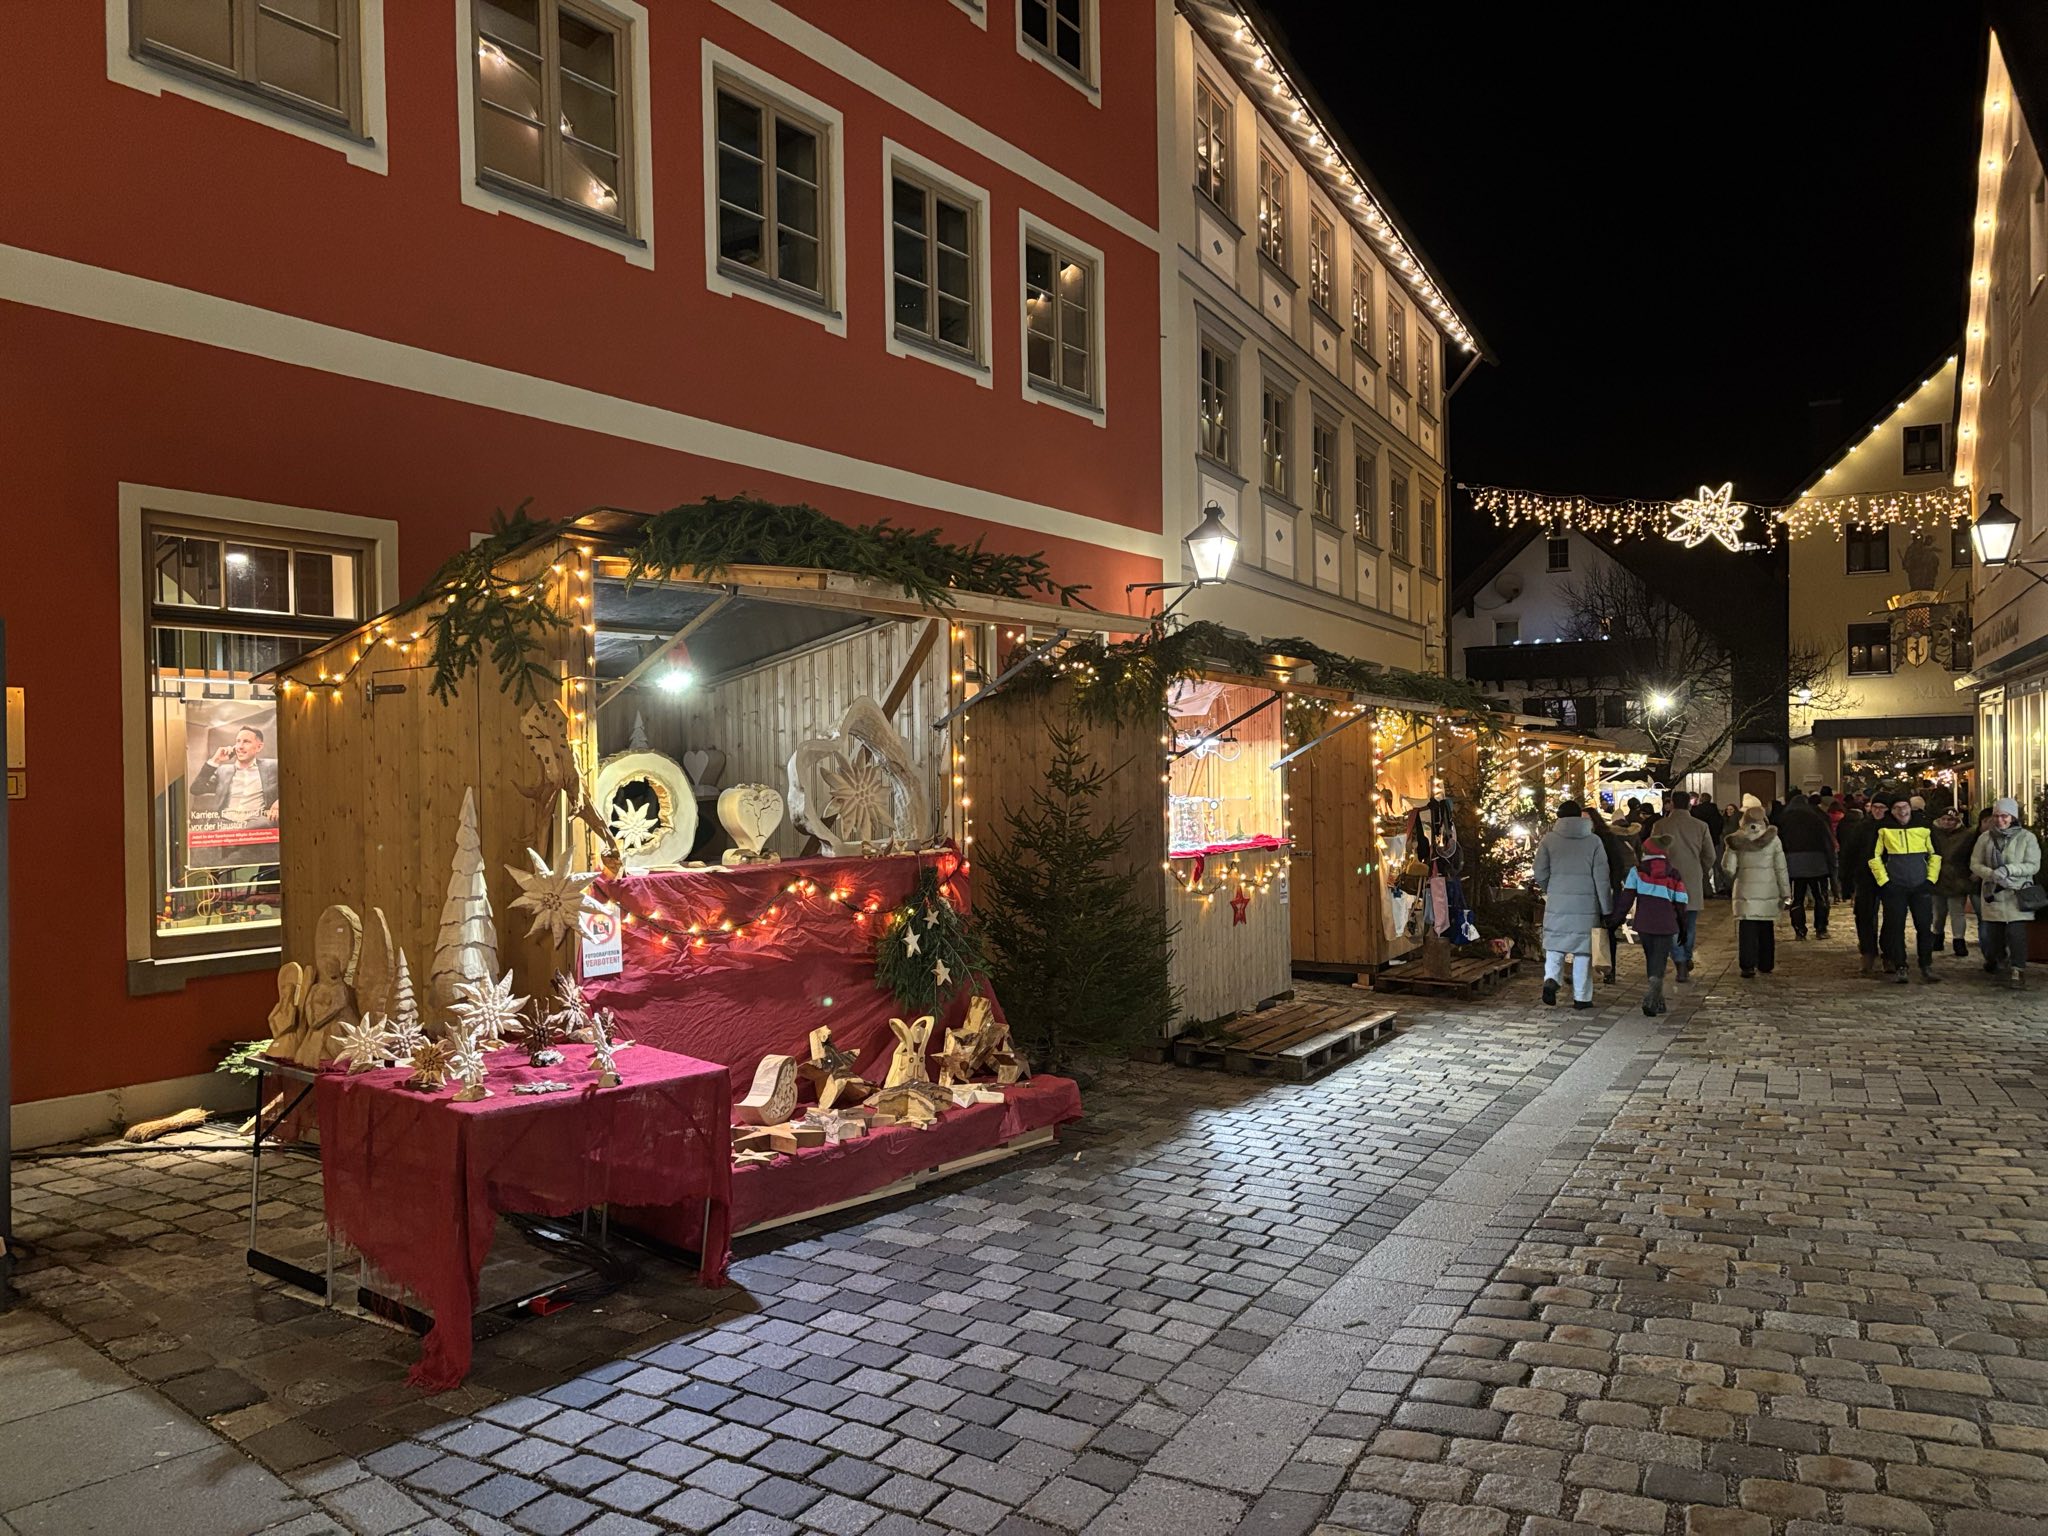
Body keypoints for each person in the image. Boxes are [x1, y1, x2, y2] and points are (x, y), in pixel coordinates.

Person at [1533, 801, 1610, 1011]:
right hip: (1586, 904)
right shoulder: (1594, 841)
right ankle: (1582, 997)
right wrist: (1607, 908)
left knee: (1555, 946)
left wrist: (1551, 887)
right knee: (1583, 952)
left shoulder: (1549, 840)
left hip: (1558, 900)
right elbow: (1602, 878)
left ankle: (1551, 979)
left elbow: (1539, 870)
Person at [1869, 790, 1941, 985]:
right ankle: (1901, 965)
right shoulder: (1883, 830)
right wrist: (1885, 882)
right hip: (1896, 887)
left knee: (1924, 927)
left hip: (1920, 885)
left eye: (1904, 807)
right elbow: (1874, 857)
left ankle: (1926, 965)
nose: (1902, 811)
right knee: (1895, 927)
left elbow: (1935, 855)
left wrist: (1930, 880)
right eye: (1897, 808)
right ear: (1891, 811)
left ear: (1910, 808)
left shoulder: (1924, 828)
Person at [1612, 834, 1688, 1016]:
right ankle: (1654, 993)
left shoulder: (1637, 871)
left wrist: (1617, 918)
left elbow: (1627, 897)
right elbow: (1681, 901)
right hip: (1666, 923)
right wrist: (1682, 925)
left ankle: (1657, 998)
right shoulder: (1673, 873)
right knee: (1660, 959)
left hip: (1645, 922)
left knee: (1650, 956)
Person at [1971, 798, 2041, 990]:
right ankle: (2000, 966)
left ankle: (2018, 969)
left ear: (2013, 817)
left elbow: (2033, 865)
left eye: (2004, 816)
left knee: (2016, 934)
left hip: (2016, 892)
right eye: (1996, 816)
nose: (2000, 820)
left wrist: (2010, 869)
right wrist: (1991, 874)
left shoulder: (2026, 838)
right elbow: (1975, 863)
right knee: (1994, 935)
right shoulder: (1985, 838)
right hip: (1993, 893)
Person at [1650, 792, 1717, 980]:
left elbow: (1652, 852)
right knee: (1689, 922)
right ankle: (1686, 956)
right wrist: (1700, 869)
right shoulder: (1700, 826)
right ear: (1690, 805)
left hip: (1667, 879)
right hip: (1692, 878)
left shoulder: (1660, 826)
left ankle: (1679, 960)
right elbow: (1710, 855)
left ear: (1671, 804)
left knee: (1671, 923)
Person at [1722, 806, 1791, 978]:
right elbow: (1781, 868)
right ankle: (1766, 963)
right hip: (1769, 887)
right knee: (1766, 926)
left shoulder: (1736, 839)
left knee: (1747, 928)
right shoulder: (1774, 840)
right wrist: (1786, 892)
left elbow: (1728, 869)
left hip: (1745, 889)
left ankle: (1747, 965)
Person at [190, 724, 280, 824]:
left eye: (246, 742)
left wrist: (279, 802)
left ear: (259, 747)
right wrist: (216, 760)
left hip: (256, 823)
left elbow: (294, 785)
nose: (240, 746)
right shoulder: (223, 771)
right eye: (238, 741)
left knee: (263, 823)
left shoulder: (273, 766)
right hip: (224, 824)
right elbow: (196, 789)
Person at [1777, 789, 1837, 940]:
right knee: (1820, 897)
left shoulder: (1784, 818)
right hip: (1817, 863)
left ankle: (1800, 930)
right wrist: (1831, 864)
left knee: (1797, 897)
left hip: (1794, 863)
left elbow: (1780, 843)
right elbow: (1827, 841)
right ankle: (1821, 928)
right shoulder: (1816, 817)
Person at [1587, 807, 1635, 984]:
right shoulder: (1580, 840)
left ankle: (1608, 967)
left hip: (1607, 890)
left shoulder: (1607, 838)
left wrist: (1613, 887)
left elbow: (1617, 865)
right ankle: (1584, 968)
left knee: (1607, 930)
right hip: (1587, 892)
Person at [1837, 798, 1884, 973]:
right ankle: (1868, 951)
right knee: (1864, 915)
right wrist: (1846, 881)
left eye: (1882, 807)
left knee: (1892, 918)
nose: (1878, 811)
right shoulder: (1862, 827)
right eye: (1875, 807)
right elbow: (1849, 854)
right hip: (1865, 877)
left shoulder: (1893, 828)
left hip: (1891, 878)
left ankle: (1889, 953)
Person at [1930, 806, 1984, 959]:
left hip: (1957, 877)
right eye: (1945, 819)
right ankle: (1937, 936)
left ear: (1957, 821)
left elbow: (1972, 854)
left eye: (1951, 820)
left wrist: (1973, 870)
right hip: (1937, 876)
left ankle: (1958, 940)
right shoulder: (1932, 833)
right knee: (1939, 912)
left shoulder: (1966, 835)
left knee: (1957, 911)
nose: (1947, 822)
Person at [1691, 794, 1726, 896]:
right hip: (1714, 840)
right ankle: (1719, 886)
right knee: (1716, 864)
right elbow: (1720, 824)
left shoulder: (1696, 811)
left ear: (1701, 800)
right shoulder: (1715, 812)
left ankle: (1704, 888)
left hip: (1699, 841)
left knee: (1701, 865)